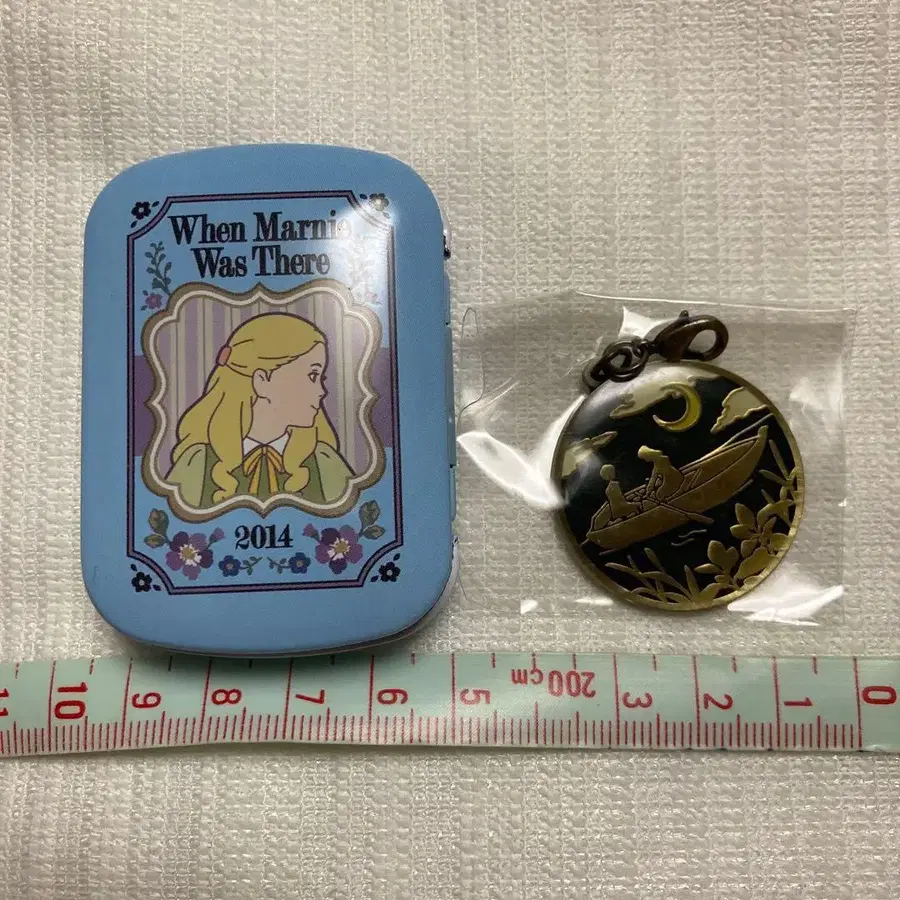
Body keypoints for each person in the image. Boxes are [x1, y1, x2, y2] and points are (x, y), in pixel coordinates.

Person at [165, 312, 354, 509]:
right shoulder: (198, 463)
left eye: (321, 378)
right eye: (312, 375)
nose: (322, 391)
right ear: (262, 381)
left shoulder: (323, 462)